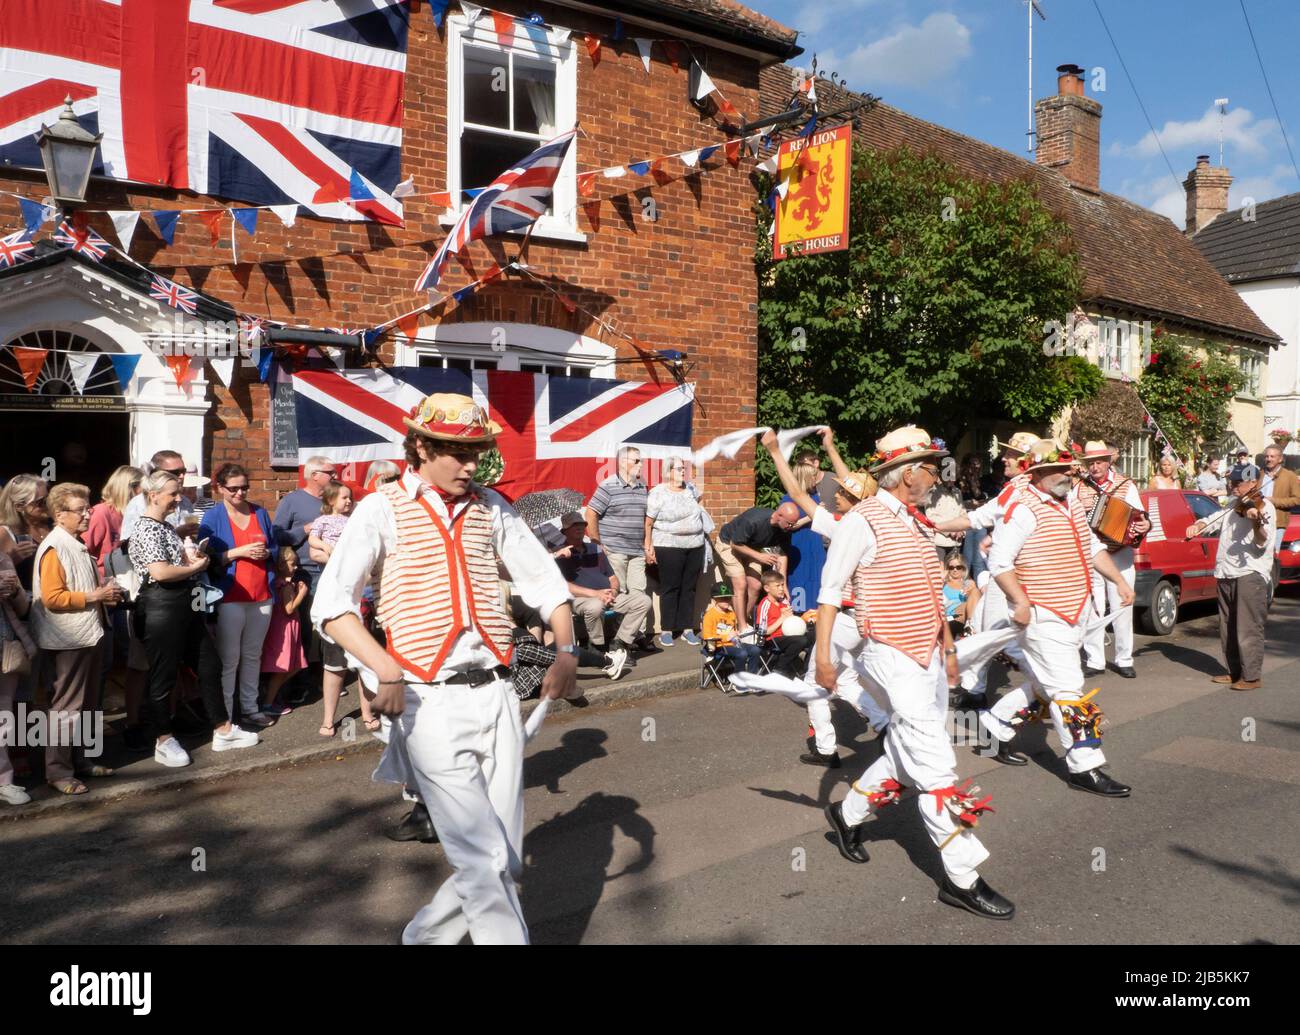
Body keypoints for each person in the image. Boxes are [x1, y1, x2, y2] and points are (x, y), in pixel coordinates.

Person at [312, 392, 579, 945]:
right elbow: (332, 605)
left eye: (476, 451)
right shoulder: (380, 508)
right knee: (482, 860)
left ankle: (423, 939)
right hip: (426, 700)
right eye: (457, 452)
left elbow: (544, 583)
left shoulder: (493, 507)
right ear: (420, 448)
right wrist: (384, 669)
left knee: (503, 858)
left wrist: (567, 650)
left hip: (499, 694)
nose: (471, 464)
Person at [817, 425, 1012, 920]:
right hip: (887, 651)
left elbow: (931, 595)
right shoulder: (863, 520)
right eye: (929, 467)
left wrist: (947, 649)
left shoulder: (913, 519)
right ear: (907, 475)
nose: (935, 473)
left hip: (925, 652)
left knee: (909, 756)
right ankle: (961, 877)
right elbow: (828, 592)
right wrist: (823, 660)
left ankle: (848, 813)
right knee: (936, 763)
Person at [978, 439, 1135, 797]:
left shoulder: (1072, 503)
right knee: (1067, 690)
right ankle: (1085, 765)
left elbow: (1093, 547)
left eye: (1071, 467)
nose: (1071, 472)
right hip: (1043, 614)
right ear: (1039, 472)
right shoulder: (1022, 510)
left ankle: (994, 726)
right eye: (1063, 468)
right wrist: (1018, 599)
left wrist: (1118, 580)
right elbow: (999, 562)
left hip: (1074, 612)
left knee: (1042, 684)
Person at [758, 429, 889, 768]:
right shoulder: (880, 525)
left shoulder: (845, 526)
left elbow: (797, 493)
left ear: (853, 500)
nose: (837, 493)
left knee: (814, 680)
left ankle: (826, 748)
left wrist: (775, 453)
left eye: (844, 493)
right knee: (845, 678)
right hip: (869, 620)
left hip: (845, 618)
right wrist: (830, 446)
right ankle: (885, 724)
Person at [129, 469, 255, 768]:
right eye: (173, 493)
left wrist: (192, 559)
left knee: (209, 664)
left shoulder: (164, 527)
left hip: (183, 602)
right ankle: (163, 738)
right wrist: (196, 568)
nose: (178, 498)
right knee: (164, 676)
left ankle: (222, 728)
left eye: (178, 492)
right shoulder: (146, 528)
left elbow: (173, 564)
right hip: (161, 605)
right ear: (153, 495)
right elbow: (160, 572)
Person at [930, 432, 1037, 711]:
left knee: (1006, 640)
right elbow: (978, 516)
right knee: (984, 631)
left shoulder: (1035, 494)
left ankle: (1047, 685)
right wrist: (935, 525)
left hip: (1020, 579)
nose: (1004, 458)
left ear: (1027, 461)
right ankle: (975, 691)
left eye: (1011, 455)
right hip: (1002, 576)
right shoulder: (1014, 489)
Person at [30, 483, 123, 795]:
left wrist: (101, 597)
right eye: (80, 510)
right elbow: (53, 598)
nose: (87, 515)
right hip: (67, 638)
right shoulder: (56, 547)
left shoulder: (73, 542)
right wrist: (96, 595)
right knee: (67, 707)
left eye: (88, 509)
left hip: (87, 633)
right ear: (59, 515)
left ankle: (81, 761)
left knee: (86, 704)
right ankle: (58, 772)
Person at [200, 463, 286, 730]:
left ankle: (250, 708)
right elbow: (204, 558)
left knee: (253, 655)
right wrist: (239, 553)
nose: (240, 493)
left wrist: (267, 553)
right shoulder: (212, 517)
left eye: (244, 487)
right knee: (229, 658)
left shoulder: (259, 512)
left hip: (261, 594)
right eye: (233, 489)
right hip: (230, 595)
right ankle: (225, 715)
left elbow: (273, 546)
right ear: (219, 488)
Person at [1189, 463, 1277, 691]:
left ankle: (1251, 676)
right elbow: (1216, 518)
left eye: (1238, 483)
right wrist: (1199, 524)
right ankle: (1234, 671)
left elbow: (1261, 542)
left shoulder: (1264, 507)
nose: (1233, 486)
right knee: (1227, 625)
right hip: (1226, 571)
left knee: (1248, 626)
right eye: (1232, 482)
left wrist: (1256, 522)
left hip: (1249, 572)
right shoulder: (1234, 504)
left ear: (1253, 483)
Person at [1072, 440, 1151, 679]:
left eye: (1098, 462)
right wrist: (1080, 506)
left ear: (1108, 462)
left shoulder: (1125, 485)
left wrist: (1145, 525)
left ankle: (1124, 658)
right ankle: (1095, 660)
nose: (1094, 467)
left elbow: (1140, 517)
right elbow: (1069, 514)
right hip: (1091, 553)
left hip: (1120, 552)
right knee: (1093, 607)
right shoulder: (1078, 487)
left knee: (1122, 606)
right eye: (1090, 463)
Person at [308, 480, 371, 735]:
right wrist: (326, 548)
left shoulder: (356, 521)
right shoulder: (323, 521)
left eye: (350, 498)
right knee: (335, 663)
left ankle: (367, 712)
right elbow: (313, 546)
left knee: (366, 661)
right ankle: (328, 719)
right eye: (344, 497)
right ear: (330, 501)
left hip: (363, 597)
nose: (349, 501)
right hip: (337, 598)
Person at [84, 465, 143, 718]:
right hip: (103, 594)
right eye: (139, 489)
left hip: (126, 591)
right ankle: (93, 717)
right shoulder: (100, 513)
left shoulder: (131, 514)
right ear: (127, 488)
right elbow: (84, 550)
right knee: (103, 660)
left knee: (132, 651)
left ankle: (137, 711)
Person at [273, 454, 334, 698]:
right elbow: (277, 535)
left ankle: (325, 677)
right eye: (330, 472)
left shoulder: (333, 499)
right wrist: (306, 529)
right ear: (314, 475)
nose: (335, 476)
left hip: (332, 569)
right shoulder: (293, 501)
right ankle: (301, 682)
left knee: (329, 626)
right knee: (306, 629)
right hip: (305, 572)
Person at [586, 446, 655, 651]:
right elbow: (591, 513)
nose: (641, 464)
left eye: (640, 460)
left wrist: (647, 546)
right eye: (636, 461)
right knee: (621, 594)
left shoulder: (643, 487)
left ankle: (636, 635)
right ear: (623, 462)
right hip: (614, 549)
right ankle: (621, 639)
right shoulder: (608, 486)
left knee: (639, 592)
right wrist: (597, 544)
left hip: (636, 550)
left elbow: (646, 520)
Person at [556, 512, 642, 670]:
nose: (580, 528)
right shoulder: (560, 553)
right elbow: (563, 586)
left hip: (608, 595)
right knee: (595, 606)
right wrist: (597, 594)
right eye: (575, 525)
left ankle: (620, 643)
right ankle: (598, 647)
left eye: (582, 525)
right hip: (580, 598)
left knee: (642, 601)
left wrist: (613, 592)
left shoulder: (595, 548)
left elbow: (612, 577)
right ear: (565, 530)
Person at [644, 457, 707, 646]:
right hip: (668, 545)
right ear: (668, 471)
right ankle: (667, 630)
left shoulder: (690, 489)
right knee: (670, 587)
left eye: (683, 468)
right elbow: (648, 522)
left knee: (689, 588)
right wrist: (648, 546)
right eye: (679, 468)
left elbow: (701, 504)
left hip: (694, 545)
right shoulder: (658, 493)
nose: (683, 472)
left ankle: (687, 628)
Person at [715, 501, 800, 631]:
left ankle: (739, 621)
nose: (791, 527)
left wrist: (783, 584)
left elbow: (782, 555)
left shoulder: (785, 530)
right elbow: (735, 544)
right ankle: (743, 628)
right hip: (729, 543)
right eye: (789, 523)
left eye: (793, 524)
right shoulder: (755, 520)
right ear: (779, 516)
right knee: (740, 583)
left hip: (750, 548)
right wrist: (760, 556)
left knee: (756, 586)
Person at [0, 548, 33, 804]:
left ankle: (4, 781)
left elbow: (22, 608)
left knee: (4, 715)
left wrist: (15, 592)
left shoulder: (2, 557)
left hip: (6, 647)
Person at [260, 546, 309, 714]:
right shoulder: (286, 585)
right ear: (281, 565)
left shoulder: (279, 583)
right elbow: (289, 608)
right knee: (285, 667)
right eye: (292, 564)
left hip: (283, 628)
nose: (296, 567)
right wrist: (302, 593)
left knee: (290, 665)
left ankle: (271, 693)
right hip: (285, 629)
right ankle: (268, 702)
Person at [781, 448, 828, 613]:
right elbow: (787, 526)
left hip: (816, 547)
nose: (816, 479)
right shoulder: (788, 498)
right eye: (814, 477)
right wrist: (813, 514)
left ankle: (815, 620)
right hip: (799, 548)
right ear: (806, 478)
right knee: (799, 582)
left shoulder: (815, 495)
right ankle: (798, 617)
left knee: (818, 581)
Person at [120, 451, 196, 541]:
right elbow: (129, 543)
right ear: (156, 473)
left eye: (183, 471)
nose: (182, 476)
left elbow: (192, 538)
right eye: (175, 472)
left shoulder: (185, 501)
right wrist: (177, 534)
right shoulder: (138, 503)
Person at [755, 570, 814, 677]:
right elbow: (763, 631)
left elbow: (791, 623)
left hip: (788, 635)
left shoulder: (783, 601)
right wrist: (782, 618)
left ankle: (806, 668)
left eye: (782, 585)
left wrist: (804, 618)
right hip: (772, 639)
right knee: (801, 640)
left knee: (814, 635)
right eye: (777, 586)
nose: (782, 588)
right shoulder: (765, 604)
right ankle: (780, 667)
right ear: (767, 588)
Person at [0, 474, 50, 591]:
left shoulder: (53, 525)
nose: (47, 505)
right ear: (19, 506)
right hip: (28, 604)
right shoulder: (6, 533)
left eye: (48, 499)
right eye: (40, 502)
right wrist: (11, 560)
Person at [700, 582, 762, 673]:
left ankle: (750, 678)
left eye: (728, 598)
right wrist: (727, 637)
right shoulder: (709, 616)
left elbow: (733, 630)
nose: (726, 600)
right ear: (714, 600)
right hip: (718, 647)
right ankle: (738, 681)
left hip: (734, 644)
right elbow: (707, 636)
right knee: (742, 653)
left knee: (755, 650)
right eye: (723, 598)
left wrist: (736, 634)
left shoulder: (731, 613)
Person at [1259, 445, 1300, 549]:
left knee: (1273, 555)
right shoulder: (1259, 474)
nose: (1268, 459)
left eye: (1272, 456)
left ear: (1280, 459)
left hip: (1277, 523)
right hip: (1258, 521)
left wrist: (1274, 501)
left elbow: (1297, 499)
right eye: (1266, 456)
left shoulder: (1290, 476)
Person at [942, 553, 980, 640]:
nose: (955, 570)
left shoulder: (968, 583)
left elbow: (976, 600)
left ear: (963, 568)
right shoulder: (944, 583)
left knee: (975, 592)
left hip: (965, 617)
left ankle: (970, 626)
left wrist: (969, 593)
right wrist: (941, 580)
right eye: (951, 568)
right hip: (950, 617)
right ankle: (970, 627)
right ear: (947, 569)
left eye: (958, 567)